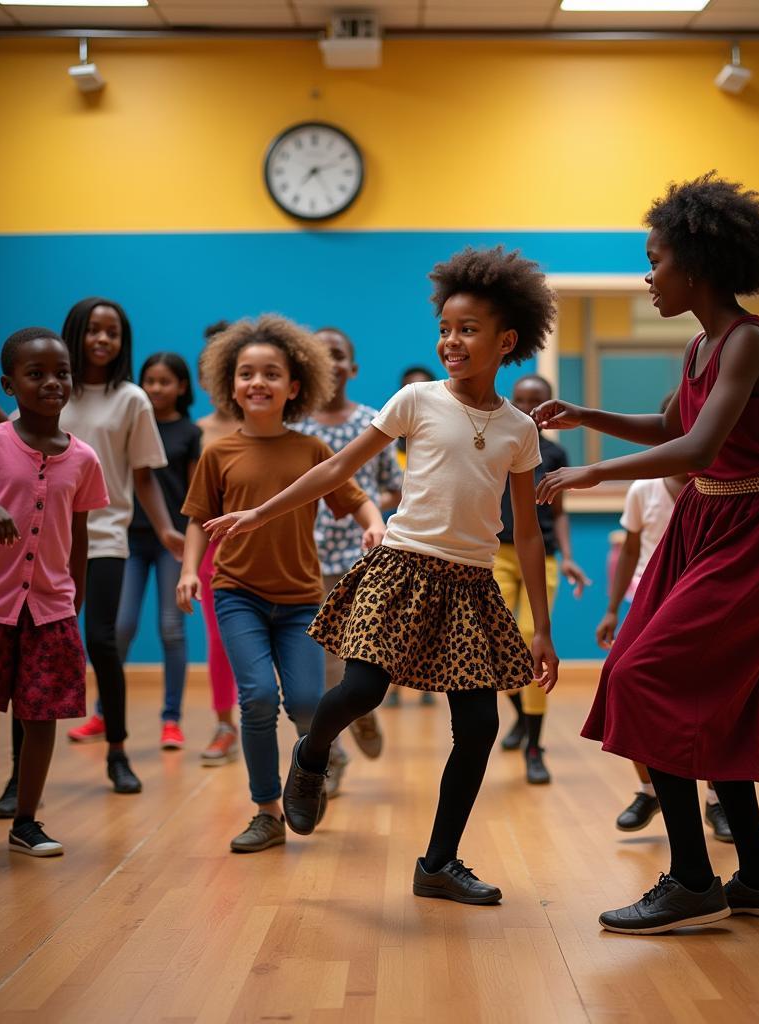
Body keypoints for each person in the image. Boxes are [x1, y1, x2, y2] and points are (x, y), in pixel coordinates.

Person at [204, 246, 559, 905]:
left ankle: (439, 864)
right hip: (401, 570)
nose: (451, 341)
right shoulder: (417, 399)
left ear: (506, 340)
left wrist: (539, 627)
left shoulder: (518, 429)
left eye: (468, 330)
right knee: (361, 689)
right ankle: (311, 756)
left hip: (471, 587)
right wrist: (259, 512)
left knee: (478, 727)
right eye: (445, 328)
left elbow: (528, 532)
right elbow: (336, 470)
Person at [534, 173, 759, 934]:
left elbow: (699, 444)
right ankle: (756, 879)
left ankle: (694, 877)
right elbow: (669, 428)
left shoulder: (750, 342)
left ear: (696, 265)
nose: (648, 273)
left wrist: (589, 469)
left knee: (640, 672)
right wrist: (587, 414)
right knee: (707, 689)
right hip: (709, 518)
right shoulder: (702, 344)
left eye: (655, 258)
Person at [177, 316, 383, 854]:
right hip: (236, 595)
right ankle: (267, 810)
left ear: (295, 386)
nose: (258, 382)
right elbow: (197, 519)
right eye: (246, 373)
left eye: (271, 373)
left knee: (311, 703)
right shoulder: (218, 452)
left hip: (299, 600)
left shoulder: (311, 449)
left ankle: (309, 767)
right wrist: (185, 572)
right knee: (259, 699)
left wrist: (374, 524)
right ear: (231, 385)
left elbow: (355, 497)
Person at [0, 298, 178, 802]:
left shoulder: (131, 398)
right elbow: (13, 438)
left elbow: (144, 476)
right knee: (25, 656)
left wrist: (164, 531)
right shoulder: (50, 384)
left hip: (104, 533)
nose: (102, 339)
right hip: (37, 542)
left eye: (112, 332)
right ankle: (16, 776)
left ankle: (117, 751)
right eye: (93, 330)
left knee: (105, 642)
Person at [0, 328, 108, 854]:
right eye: (36, 375)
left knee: (41, 717)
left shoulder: (83, 459)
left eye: (61, 373)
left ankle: (25, 822)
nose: (52, 382)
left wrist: (72, 600)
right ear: (10, 385)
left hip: (51, 610)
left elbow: (78, 535)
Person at [596, 396, 732, 842]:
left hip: (701, 604)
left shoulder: (716, 485)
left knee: (707, 698)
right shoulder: (643, 489)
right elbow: (630, 550)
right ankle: (648, 788)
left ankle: (716, 800)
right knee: (626, 681)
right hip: (648, 597)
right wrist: (614, 608)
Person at [289, 326, 403, 795]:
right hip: (304, 559)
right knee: (307, 669)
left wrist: (361, 502)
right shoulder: (295, 427)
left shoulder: (372, 421)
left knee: (343, 663)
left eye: (337, 354)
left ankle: (361, 713)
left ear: (352, 368)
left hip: (359, 557)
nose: (330, 362)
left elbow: (394, 485)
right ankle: (330, 755)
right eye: (319, 354)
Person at [100, 352, 202, 751]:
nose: (156, 388)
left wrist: (190, 538)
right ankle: (103, 712)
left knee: (171, 629)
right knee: (120, 627)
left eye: (165, 381)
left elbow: (197, 494)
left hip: (172, 543)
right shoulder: (129, 423)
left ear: (181, 387)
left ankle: (171, 720)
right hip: (129, 537)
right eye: (150, 380)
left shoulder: (190, 433)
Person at [495, 373, 589, 785]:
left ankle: (534, 746)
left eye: (538, 403)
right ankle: (520, 716)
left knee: (532, 638)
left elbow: (561, 511)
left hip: (542, 556)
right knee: (497, 643)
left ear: (549, 409)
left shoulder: (555, 453)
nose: (529, 409)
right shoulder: (497, 443)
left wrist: (568, 557)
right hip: (495, 553)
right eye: (521, 400)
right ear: (511, 401)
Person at [194, 321, 242, 764]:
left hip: (268, 547)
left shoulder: (271, 430)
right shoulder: (199, 432)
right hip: (214, 550)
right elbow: (192, 505)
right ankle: (225, 724)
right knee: (219, 637)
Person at [387, 364, 439, 708]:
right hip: (396, 543)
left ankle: (424, 682)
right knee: (395, 617)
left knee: (428, 619)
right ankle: (390, 684)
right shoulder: (390, 448)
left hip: (434, 542)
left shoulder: (440, 442)